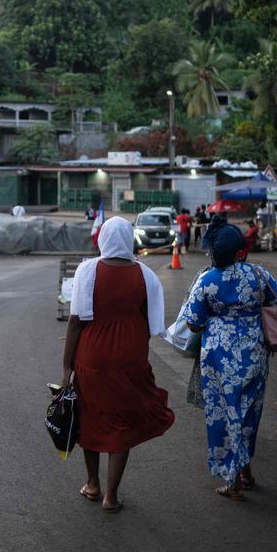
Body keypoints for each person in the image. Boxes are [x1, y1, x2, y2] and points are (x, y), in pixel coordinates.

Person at [62, 217, 174, 513]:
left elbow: (76, 320)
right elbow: (151, 321)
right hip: (130, 358)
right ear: (130, 239)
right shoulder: (146, 275)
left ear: (102, 239)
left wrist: (66, 368)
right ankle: (111, 496)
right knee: (121, 422)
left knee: (91, 417)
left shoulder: (87, 270)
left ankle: (92, 484)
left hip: (92, 357)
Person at [182, 215, 277, 500]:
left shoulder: (207, 279)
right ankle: (245, 471)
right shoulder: (258, 275)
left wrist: (217, 320)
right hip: (254, 354)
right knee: (247, 415)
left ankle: (233, 480)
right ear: (239, 249)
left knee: (223, 414)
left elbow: (192, 322)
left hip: (217, 357)